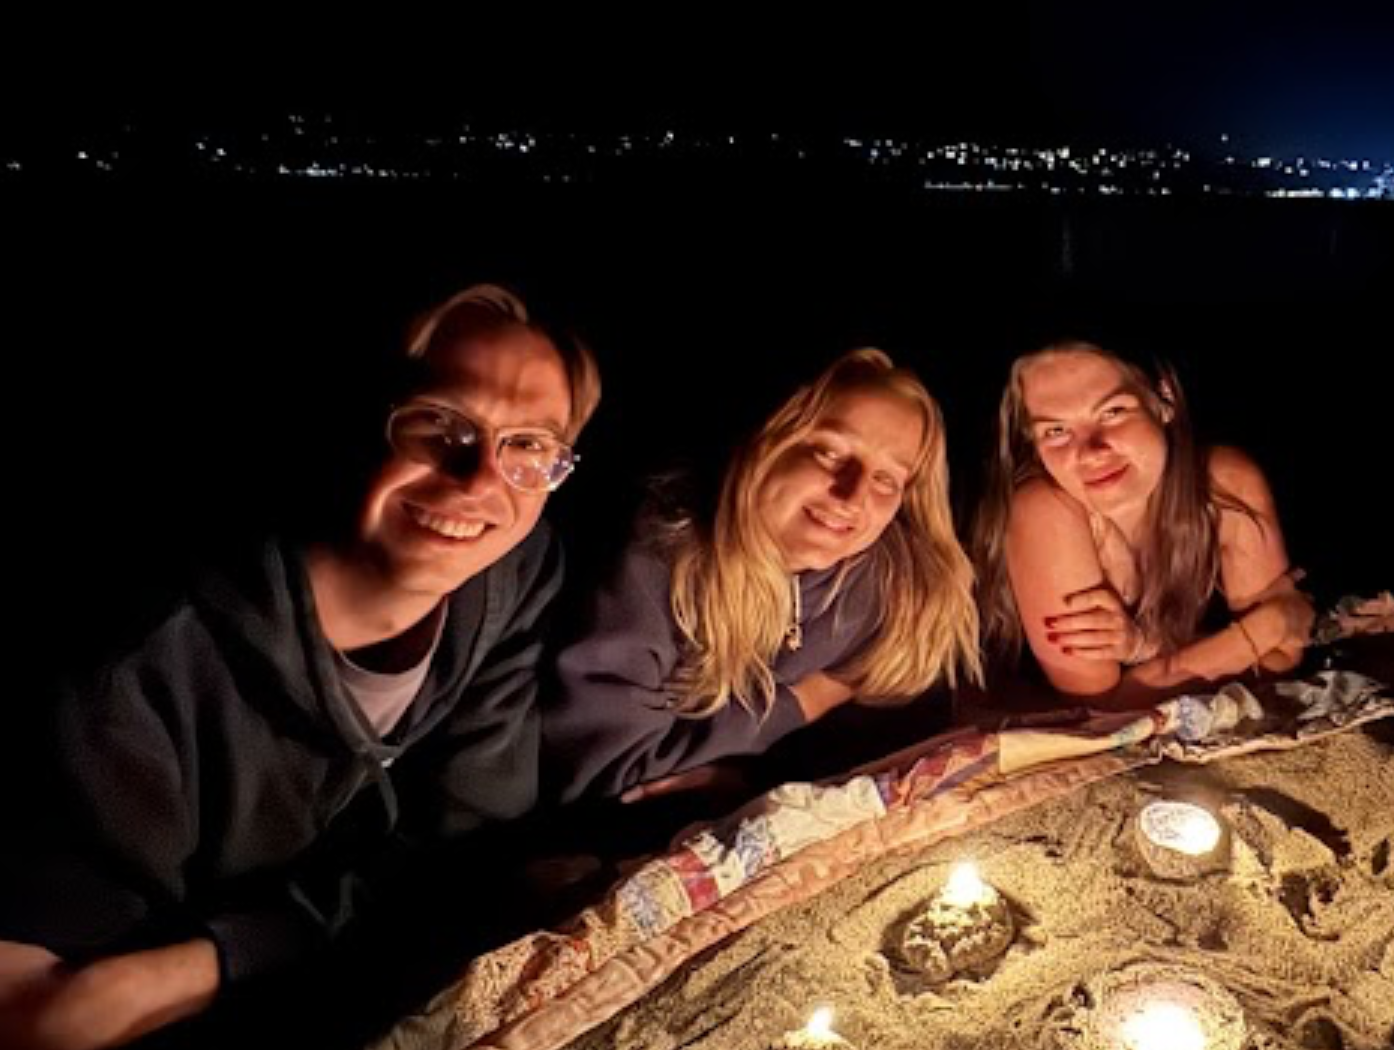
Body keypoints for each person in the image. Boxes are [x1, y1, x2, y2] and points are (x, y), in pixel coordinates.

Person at [0, 284, 599, 1049]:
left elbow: (475, 847)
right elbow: (61, 1009)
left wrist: (238, 948)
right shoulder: (143, 669)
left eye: (529, 448)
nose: (481, 480)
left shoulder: (513, 574)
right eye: (438, 425)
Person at [545, 348, 980, 804]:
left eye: (887, 479)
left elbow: (908, 743)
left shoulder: (893, 586)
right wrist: (809, 699)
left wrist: (758, 777)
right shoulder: (656, 564)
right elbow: (615, 775)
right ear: (765, 442)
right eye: (829, 452)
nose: (852, 495)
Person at [973, 340, 1311, 709]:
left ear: (1161, 397)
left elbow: (1279, 663)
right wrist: (1267, 627)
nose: (1091, 451)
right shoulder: (1042, 509)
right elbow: (1102, 709)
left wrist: (1146, 652)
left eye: (1113, 412)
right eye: (1056, 431)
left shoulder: (1225, 484)